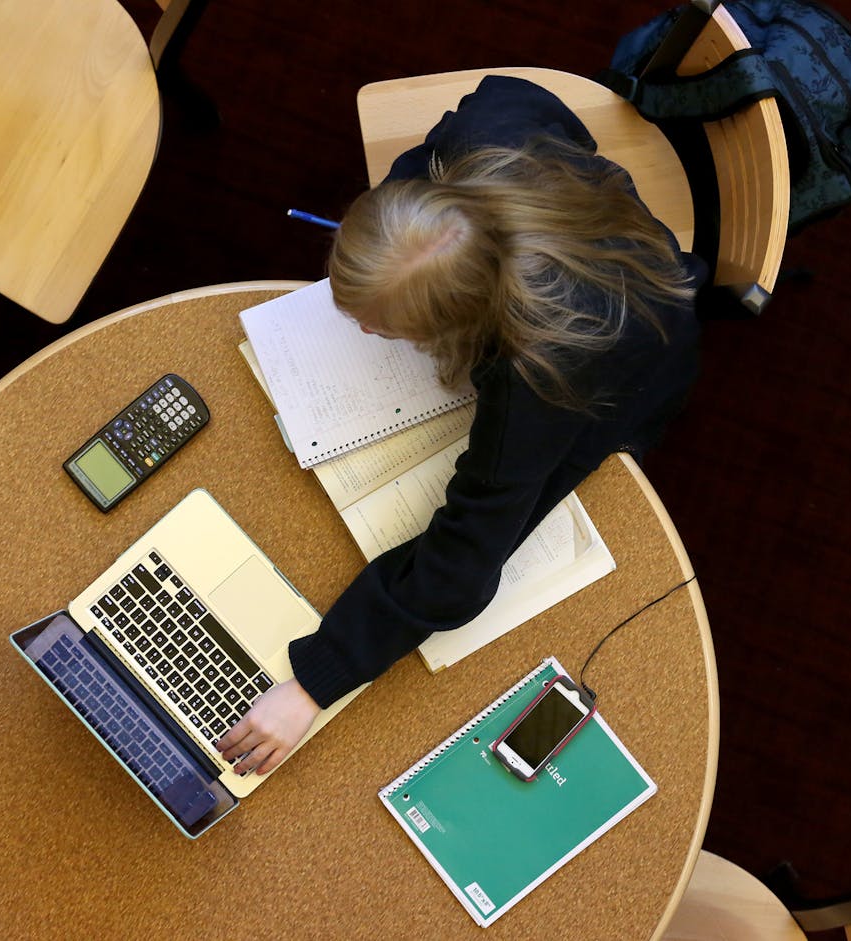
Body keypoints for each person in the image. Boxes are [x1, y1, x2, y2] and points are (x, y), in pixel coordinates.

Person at [216, 75, 707, 776]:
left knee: (528, 493)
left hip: (641, 360)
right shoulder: (493, 136)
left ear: (461, 326)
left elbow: (461, 567)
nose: (357, 327)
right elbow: (524, 96)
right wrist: (407, 203)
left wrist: (315, 681)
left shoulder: (536, 376)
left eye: (380, 327)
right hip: (619, 248)